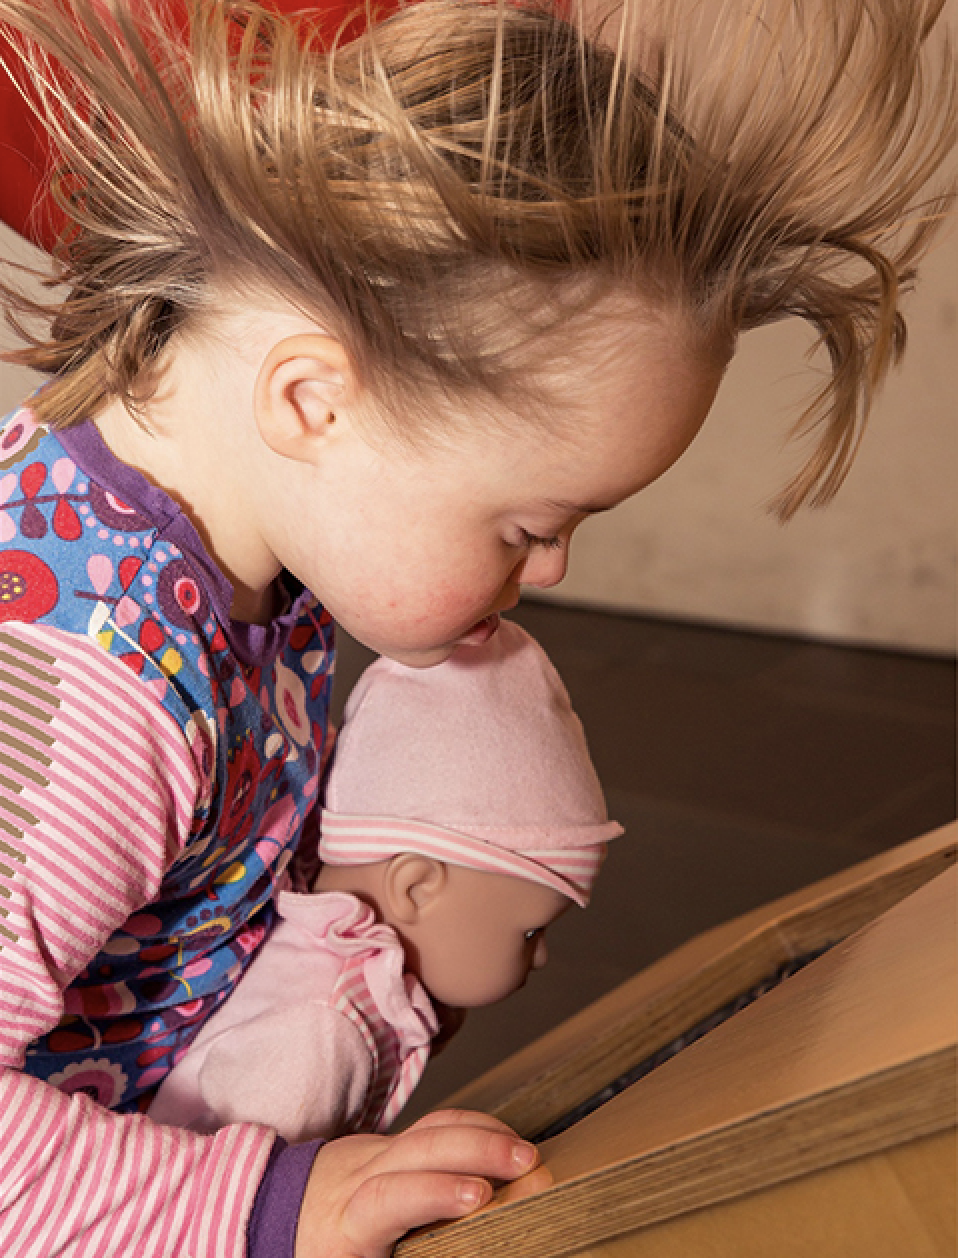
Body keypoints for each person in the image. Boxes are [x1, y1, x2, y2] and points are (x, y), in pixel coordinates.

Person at [0, 0, 953, 1255]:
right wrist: (271, 1204)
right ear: (312, 398)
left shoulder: (224, 559)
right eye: (526, 524)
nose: (551, 567)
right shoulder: (91, 694)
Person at [148, 617, 621, 1141]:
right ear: (416, 887)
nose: (542, 955)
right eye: (530, 933)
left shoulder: (347, 961)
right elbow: (250, 1192)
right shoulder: (319, 1037)